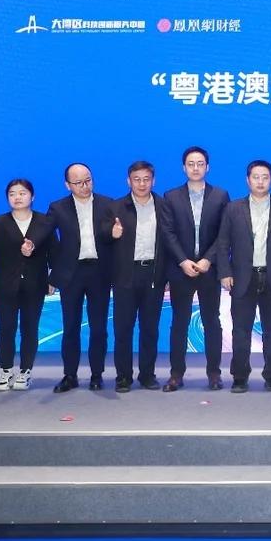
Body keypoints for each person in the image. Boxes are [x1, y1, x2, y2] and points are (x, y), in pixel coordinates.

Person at [159, 146, 230, 391]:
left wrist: (208, 259)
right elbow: (167, 233)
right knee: (179, 322)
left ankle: (214, 374)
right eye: (191, 164)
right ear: (184, 168)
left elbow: (224, 233)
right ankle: (176, 374)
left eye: (200, 164)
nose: (196, 168)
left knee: (211, 322)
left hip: (209, 269)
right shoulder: (171, 196)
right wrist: (182, 261)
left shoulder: (220, 195)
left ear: (207, 167)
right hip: (181, 270)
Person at [0, 178, 54, 391]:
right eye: (12, 194)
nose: (17, 197)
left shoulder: (45, 222)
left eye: (22, 193)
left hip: (35, 284)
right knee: (6, 328)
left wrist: (53, 279)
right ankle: (6, 370)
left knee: (30, 328)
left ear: (32, 196)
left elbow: (54, 253)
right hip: (4, 284)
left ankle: (25, 371)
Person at [216, 160, 271, 393]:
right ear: (248, 180)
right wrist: (225, 273)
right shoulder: (233, 208)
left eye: (265, 177)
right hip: (241, 278)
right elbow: (222, 243)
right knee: (241, 331)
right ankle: (239, 377)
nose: (260, 181)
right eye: (256, 177)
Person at [47, 163, 116, 392]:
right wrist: (51, 270)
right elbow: (46, 236)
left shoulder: (108, 204)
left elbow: (113, 238)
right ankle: (70, 375)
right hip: (71, 274)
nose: (85, 186)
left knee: (98, 328)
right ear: (67, 185)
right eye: (78, 183)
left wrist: (115, 234)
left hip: (99, 272)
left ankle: (97, 375)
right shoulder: (58, 208)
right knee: (70, 327)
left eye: (88, 180)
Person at [104, 160, 167, 393]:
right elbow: (102, 238)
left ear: (153, 181)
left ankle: (147, 375)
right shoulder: (115, 207)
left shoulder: (164, 206)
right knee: (123, 329)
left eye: (146, 179)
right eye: (137, 179)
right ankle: (123, 377)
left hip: (154, 274)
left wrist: (167, 275)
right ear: (128, 181)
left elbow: (170, 241)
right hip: (125, 275)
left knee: (150, 329)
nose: (142, 184)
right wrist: (111, 233)